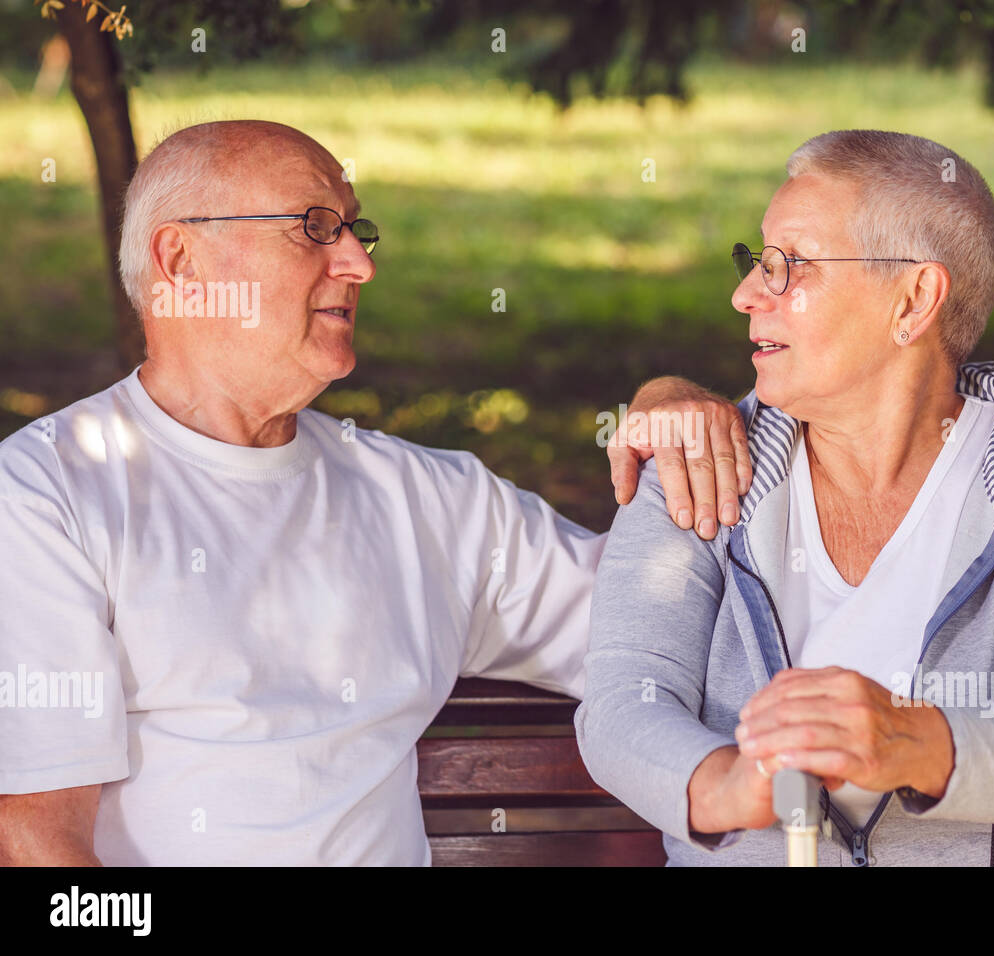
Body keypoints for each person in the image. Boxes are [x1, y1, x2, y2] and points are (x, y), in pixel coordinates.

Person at [0, 120, 748, 866]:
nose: (359, 264)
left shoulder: (429, 501)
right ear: (182, 260)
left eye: (356, 230)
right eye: (316, 228)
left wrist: (666, 397)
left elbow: (658, 626)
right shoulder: (49, 494)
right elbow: (36, 843)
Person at [576, 129, 994, 866]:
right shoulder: (695, 466)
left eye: (790, 265)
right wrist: (733, 785)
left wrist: (908, 740)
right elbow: (626, 706)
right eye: (757, 261)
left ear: (913, 300)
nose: (747, 293)